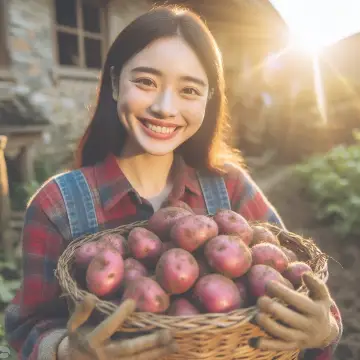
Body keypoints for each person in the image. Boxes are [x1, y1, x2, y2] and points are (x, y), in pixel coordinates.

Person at [4, 6, 342, 360]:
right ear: (116, 83)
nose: (165, 108)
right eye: (146, 82)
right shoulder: (57, 204)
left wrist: (325, 330)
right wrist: (65, 351)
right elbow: (27, 325)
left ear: (209, 100)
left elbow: (305, 292)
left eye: (189, 90)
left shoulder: (232, 188)